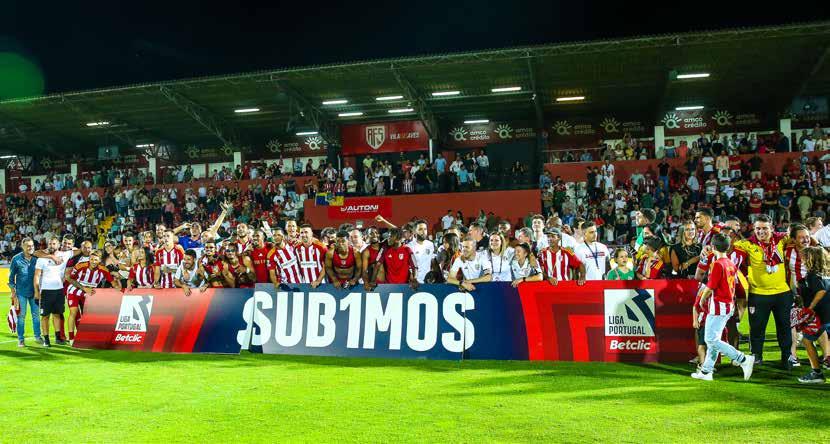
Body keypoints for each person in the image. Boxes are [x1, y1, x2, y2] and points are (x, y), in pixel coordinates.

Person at [691, 233, 755, 381]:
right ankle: (706, 371)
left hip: (718, 306)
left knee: (711, 340)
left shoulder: (717, 264)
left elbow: (711, 286)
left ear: (713, 247)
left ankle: (743, 359)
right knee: (713, 340)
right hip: (727, 305)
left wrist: (702, 299)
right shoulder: (730, 263)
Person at [731, 214, 793, 367]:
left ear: (772, 228)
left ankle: (787, 357)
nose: (761, 232)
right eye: (757, 228)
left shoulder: (782, 239)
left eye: (765, 228)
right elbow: (727, 247)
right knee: (757, 329)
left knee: (784, 328)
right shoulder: (747, 244)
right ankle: (757, 356)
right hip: (758, 295)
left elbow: (801, 237)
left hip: (782, 294)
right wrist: (708, 248)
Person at [64, 249, 121, 343]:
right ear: (89, 258)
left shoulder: (103, 269)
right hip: (74, 291)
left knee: (86, 316)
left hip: (88, 294)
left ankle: (85, 336)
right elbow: (71, 279)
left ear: (100, 260)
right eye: (91, 259)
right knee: (73, 312)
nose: (93, 262)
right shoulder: (80, 265)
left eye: (96, 260)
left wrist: (118, 288)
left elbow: (113, 283)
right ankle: (71, 338)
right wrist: (84, 288)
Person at [794, 246, 830, 383]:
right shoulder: (826, 273)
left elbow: (821, 291)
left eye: (804, 258)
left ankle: (816, 373)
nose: (802, 260)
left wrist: (809, 308)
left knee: (807, 340)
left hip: (819, 316)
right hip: (826, 314)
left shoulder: (812, 275)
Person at [33, 238, 74, 347]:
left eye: (54, 243)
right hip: (46, 291)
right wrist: (37, 291)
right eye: (50, 243)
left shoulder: (64, 255)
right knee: (45, 316)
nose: (51, 245)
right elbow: (36, 276)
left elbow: (80, 250)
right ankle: (46, 340)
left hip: (59, 290)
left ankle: (58, 338)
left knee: (57, 314)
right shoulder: (41, 259)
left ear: (58, 245)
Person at [8, 237, 42, 347]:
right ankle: (21, 339)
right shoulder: (16, 259)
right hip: (21, 293)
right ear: (23, 247)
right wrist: (13, 293)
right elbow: (11, 279)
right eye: (28, 246)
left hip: (35, 292)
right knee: (21, 316)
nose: (30, 248)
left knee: (36, 315)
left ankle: (38, 336)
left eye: (32, 246)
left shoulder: (37, 258)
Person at [407, 220, 436, 284]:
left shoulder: (430, 244)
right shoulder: (409, 247)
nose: (423, 232)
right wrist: (413, 279)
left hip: (428, 282)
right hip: (415, 283)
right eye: (420, 229)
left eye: (425, 229)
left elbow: (432, 261)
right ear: (414, 231)